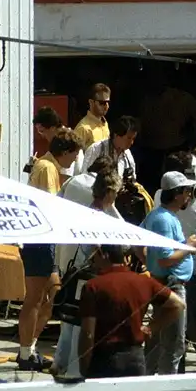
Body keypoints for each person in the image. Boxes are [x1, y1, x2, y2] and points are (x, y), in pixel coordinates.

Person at [52, 157, 123, 377]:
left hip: (72, 270)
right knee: (79, 323)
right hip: (86, 275)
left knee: (69, 321)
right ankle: (74, 369)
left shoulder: (86, 208)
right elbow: (94, 248)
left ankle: (59, 363)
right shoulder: (98, 215)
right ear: (109, 192)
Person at [18, 128, 82, 371]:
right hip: (38, 239)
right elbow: (50, 203)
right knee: (34, 298)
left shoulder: (50, 167)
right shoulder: (47, 168)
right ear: (64, 152)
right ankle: (25, 354)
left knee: (51, 295)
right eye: (74, 155)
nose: (75, 160)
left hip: (45, 239)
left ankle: (30, 347)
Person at [154, 153, 196, 371]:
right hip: (191, 259)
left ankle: (177, 370)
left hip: (167, 260)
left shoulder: (158, 195)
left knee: (175, 322)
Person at [78, 245, 185, 378]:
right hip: (135, 357)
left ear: (103, 254)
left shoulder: (93, 286)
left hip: (103, 359)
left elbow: (88, 334)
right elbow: (178, 304)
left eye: (94, 256)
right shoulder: (144, 281)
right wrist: (151, 328)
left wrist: (83, 366)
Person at [141, 172, 196, 374]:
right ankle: (166, 383)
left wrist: (148, 262)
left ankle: (148, 379)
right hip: (172, 284)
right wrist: (189, 246)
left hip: (165, 282)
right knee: (173, 344)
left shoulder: (159, 216)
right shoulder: (164, 220)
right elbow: (165, 258)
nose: (189, 196)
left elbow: (137, 243)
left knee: (158, 341)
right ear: (177, 194)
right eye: (187, 192)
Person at [28, 107, 83, 177]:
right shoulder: (60, 141)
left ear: (52, 127)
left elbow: (64, 174)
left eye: (42, 131)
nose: (42, 136)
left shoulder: (68, 144)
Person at [74, 83, 111, 150]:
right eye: (102, 103)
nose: (106, 106)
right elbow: (74, 156)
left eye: (108, 102)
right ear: (91, 102)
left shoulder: (105, 123)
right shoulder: (83, 128)